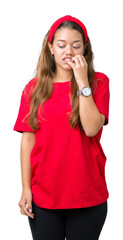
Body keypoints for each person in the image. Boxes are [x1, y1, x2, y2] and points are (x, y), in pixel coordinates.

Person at [13, 15, 110, 240]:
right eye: (61, 44)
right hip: (44, 196)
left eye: (76, 45)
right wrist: (26, 188)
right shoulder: (34, 88)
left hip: (87, 195)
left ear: (84, 49)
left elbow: (91, 129)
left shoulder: (98, 83)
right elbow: (28, 141)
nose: (69, 51)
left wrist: (82, 81)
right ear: (50, 48)